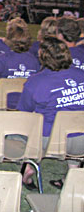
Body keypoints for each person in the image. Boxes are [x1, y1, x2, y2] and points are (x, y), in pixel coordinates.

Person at [17, 37, 84, 190]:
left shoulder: (35, 81)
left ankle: (28, 171)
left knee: (22, 129)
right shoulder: (81, 74)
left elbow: (24, 112)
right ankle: (72, 174)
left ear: (42, 56)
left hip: (50, 141)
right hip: (82, 137)